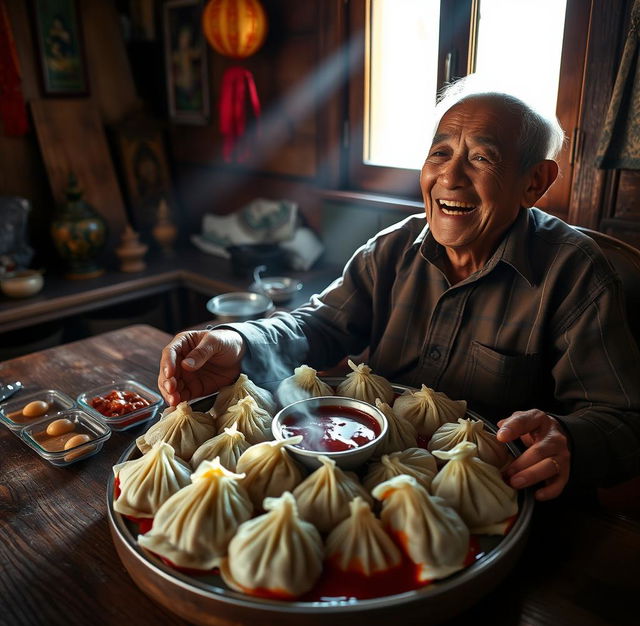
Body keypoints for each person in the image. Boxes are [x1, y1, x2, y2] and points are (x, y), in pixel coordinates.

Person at [159, 76, 640, 501]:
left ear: (534, 181)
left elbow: (623, 419)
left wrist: (570, 441)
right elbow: (319, 325)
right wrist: (240, 341)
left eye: (482, 158)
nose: (450, 177)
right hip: (375, 484)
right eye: (440, 153)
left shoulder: (577, 276)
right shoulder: (394, 249)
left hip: (498, 503)